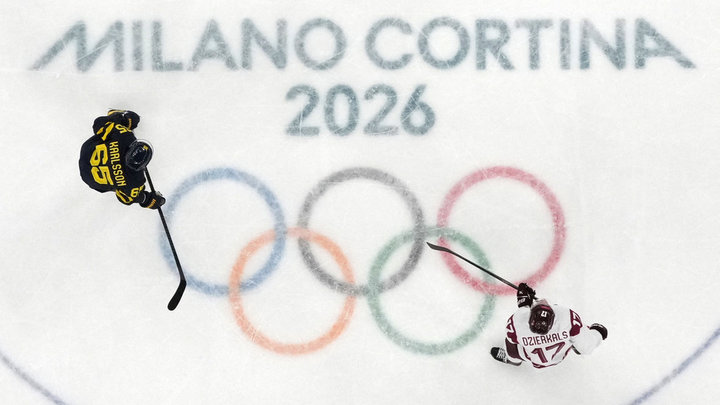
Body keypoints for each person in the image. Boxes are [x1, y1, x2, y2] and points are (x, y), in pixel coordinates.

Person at [490, 283, 607, 368]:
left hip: (531, 357)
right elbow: (586, 347)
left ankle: (512, 360)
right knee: (578, 331)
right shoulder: (567, 318)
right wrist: (598, 333)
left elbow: (519, 321)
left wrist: (524, 304)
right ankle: (575, 344)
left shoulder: (516, 324)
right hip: (557, 357)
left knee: (511, 342)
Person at [79, 109, 165, 209]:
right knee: (119, 186)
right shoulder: (135, 182)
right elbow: (126, 198)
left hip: (87, 151)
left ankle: (116, 118)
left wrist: (123, 120)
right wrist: (149, 200)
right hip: (90, 180)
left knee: (108, 130)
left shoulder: (124, 137)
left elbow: (98, 123)